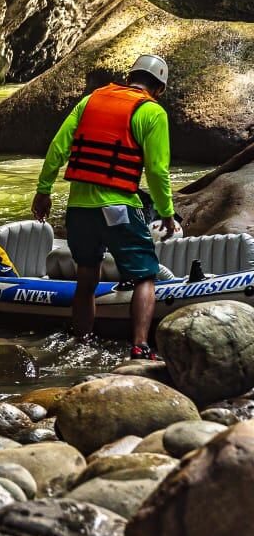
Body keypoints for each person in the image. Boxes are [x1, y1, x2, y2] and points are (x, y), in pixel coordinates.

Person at [32, 55, 176, 360]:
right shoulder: (153, 112)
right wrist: (166, 212)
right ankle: (140, 346)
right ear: (160, 88)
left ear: (129, 77)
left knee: (86, 277)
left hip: (79, 208)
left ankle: (80, 342)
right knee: (145, 277)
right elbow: (157, 171)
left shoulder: (90, 102)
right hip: (119, 207)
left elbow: (57, 148)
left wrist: (43, 191)